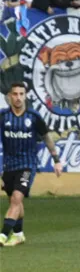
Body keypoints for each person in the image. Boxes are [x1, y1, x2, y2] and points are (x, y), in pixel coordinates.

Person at [0, 81, 64, 247]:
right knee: (15, 201)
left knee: (17, 197)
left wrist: (56, 160)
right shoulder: (3, 116)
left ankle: (3, 235)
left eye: (21, 94)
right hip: (9, 165)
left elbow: (46, 137)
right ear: (9, 97)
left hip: (28, 164)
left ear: (26, 96)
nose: (18, 98)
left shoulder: (34, 117)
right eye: (15, 94)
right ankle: (19, 234)